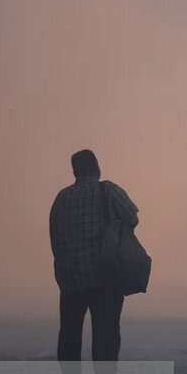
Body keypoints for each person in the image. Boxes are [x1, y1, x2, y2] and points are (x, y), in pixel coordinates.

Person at [49, 149, 139, 362]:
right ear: (96, 166)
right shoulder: (109, 190)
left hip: (70, 278)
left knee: (69, 333)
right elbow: (132, 218)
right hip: (104, 277)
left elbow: (54, 236)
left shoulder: (61, 198)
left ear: (75, 171)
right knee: (106, 332)